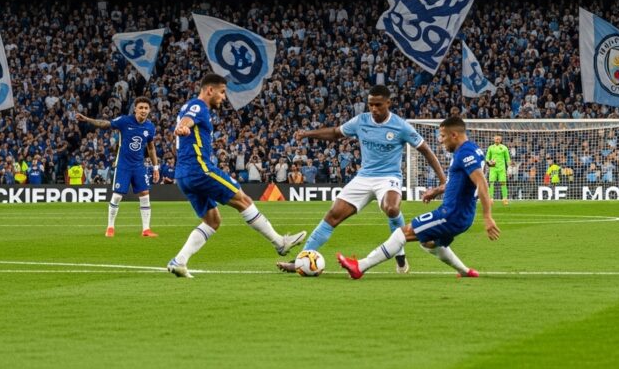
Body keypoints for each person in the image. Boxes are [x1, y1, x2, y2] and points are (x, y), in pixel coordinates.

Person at [277, 85, 447, 275]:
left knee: (392, 208)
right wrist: (307, 134)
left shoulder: (401, 126)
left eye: (378, 105)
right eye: (370, 105)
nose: (374, 109)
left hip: (388, 177)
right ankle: (300, 260)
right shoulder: (361, 121)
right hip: (364, 177)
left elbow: (426, 150)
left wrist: (443, 182)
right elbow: (335, 133)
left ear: (388, 103)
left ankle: (400, 255)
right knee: (333, 215)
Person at [167, 74, 305, 278]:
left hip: (184, 174)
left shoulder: (190, 107)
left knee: (212, 220)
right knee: (243, 199)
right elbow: (188, 119)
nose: (224, 97)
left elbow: (186, 122)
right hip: (200, 169)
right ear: (209, 90)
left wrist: (183, 127)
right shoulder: (198, 106)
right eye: (222, 92)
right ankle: (279, 243)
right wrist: (183, 126)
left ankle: (179, 261)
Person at [337, 116, 500, 279]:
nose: (440, 140)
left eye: (443, 136)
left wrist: (487, 216)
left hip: (451, 214)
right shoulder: (472, 149)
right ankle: (465, 272)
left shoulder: (465, 153)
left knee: (402, 233)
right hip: (461, 215)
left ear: (454, 135)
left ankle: (360, 266)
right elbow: (460, 182)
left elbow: (482, 183)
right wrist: (437, 191)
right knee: (428, 243)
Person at [77, 96, 161, 238]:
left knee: (145, 195)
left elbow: (151, 148)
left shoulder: (150, 127)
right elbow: (105, 124)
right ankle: (110, 227)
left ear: (149, 110)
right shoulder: (124, 121)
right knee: (117, 196)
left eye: (146, 108)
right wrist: (87, 119)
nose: (143, 110)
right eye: (140, 107)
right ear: (135, 109)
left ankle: (146, 230)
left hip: (139, 166)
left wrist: (156, 167)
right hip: (123, 165)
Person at [485, 135, 511, 205]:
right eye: (496, 138)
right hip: (493, 168)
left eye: (499, 139)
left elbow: (507, 158)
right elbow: (487, 158)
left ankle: (505, 199)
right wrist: (490, 162)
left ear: (501, 140)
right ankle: (491, 199)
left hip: (502, 169)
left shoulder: (504, 148)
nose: (497, 140)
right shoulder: (490, 148)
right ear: (494, 139)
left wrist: (509, 169)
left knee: (503, 183)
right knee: (491, 183)